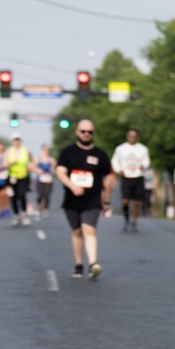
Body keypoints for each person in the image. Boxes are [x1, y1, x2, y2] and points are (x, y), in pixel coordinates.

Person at [56, 119, 114, 280]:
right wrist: (72, 186)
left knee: (89, 229)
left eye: (90, 132)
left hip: (93, 199)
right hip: (72, 199)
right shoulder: (68, 152)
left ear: (93, 134)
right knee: (77, 231)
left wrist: (106, 200)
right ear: (77, 132)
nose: (86, 134)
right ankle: (79, 264)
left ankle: (93, 264)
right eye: (83, 131)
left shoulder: (100, 155)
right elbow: (60, 172)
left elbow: (108, 178)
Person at [111, 128, 151, 232]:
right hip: (126, 177)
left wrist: (144, 165)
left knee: (137, 202)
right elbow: (115, 160)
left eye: (134, 136)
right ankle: (126, 219)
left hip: (138, 177)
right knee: (125, 201)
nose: (132, 138)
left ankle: (134, 222)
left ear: (137, 137)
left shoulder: (143, 149)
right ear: (127, 136)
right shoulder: (120, 148)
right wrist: (118, 170)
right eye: (130, 136)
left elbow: (146, 161)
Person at [5, 133, 32, 226]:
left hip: (23, 176)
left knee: (22, 194)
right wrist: (13, 161)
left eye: (18, 140)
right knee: (13, 197)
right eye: (15, 140)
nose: (17, 142)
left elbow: (30, 162)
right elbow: (5, 165)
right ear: (12, 141)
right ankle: (16, 216)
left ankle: (24, 214)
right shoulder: (9, 151)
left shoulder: (25, 150)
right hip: (12, 176)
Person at [33, 145, 56, 217]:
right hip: (40, 179)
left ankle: (45, 209)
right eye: (45, 150)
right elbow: (32, 167)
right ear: (42, 150)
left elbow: (55, 169)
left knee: (47, 194)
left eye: (48, 150)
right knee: (40, 194)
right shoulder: (37, 159)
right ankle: (39, 206)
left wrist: (53, 170)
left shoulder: (52, 160)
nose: (47, 151)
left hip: (48, 179)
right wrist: (37, 170)